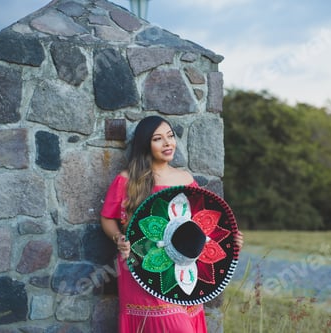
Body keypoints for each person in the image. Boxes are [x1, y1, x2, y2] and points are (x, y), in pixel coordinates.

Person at [101, 115, 244, 333]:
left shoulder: (185, 179)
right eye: (158, 139)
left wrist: (230, 242)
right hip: (142, 266)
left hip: (181, 271)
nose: (168, 143)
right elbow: (107, 217)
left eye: (170, 136)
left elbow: (198, 226)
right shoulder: (127, 179)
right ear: (145, 144)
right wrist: (118, 238)